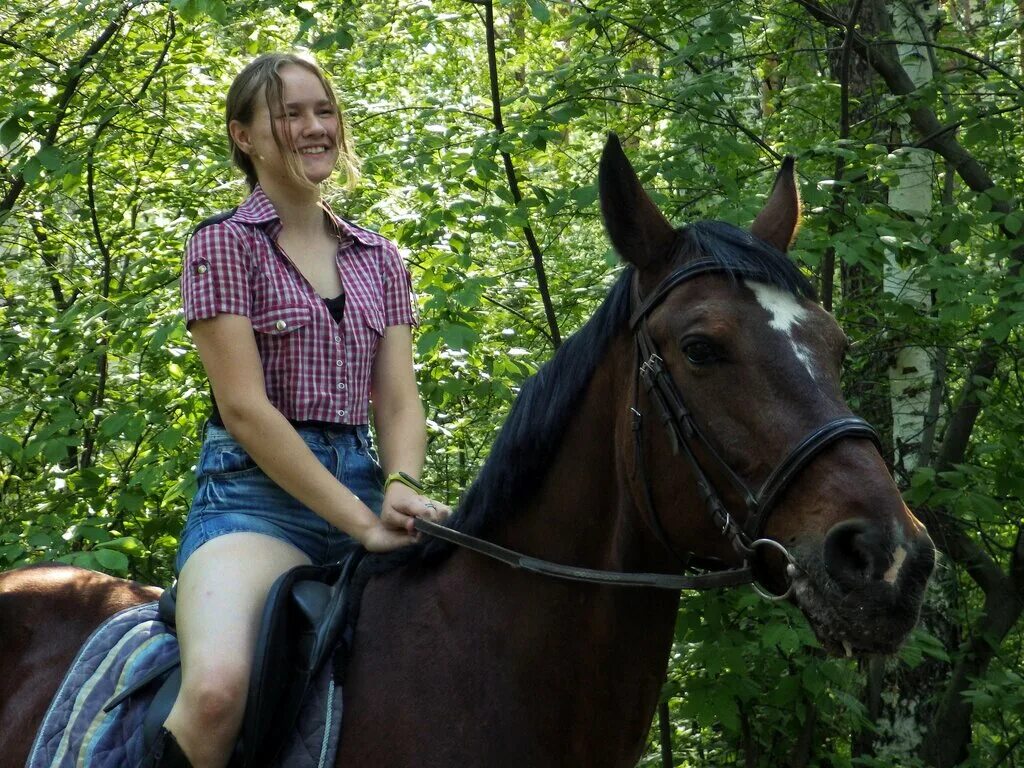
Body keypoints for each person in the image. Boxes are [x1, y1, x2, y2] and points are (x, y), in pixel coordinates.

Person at [149, 52, 450, 768]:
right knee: (217, 692)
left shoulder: (380, 256)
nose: (314, 127)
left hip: (367, 485)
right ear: (244, 136)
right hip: (252, 503)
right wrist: (361, 524)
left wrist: (401, 490)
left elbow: (400, 401)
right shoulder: (222, 244)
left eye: (324, 110)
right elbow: (246, 412)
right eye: (289, 114)